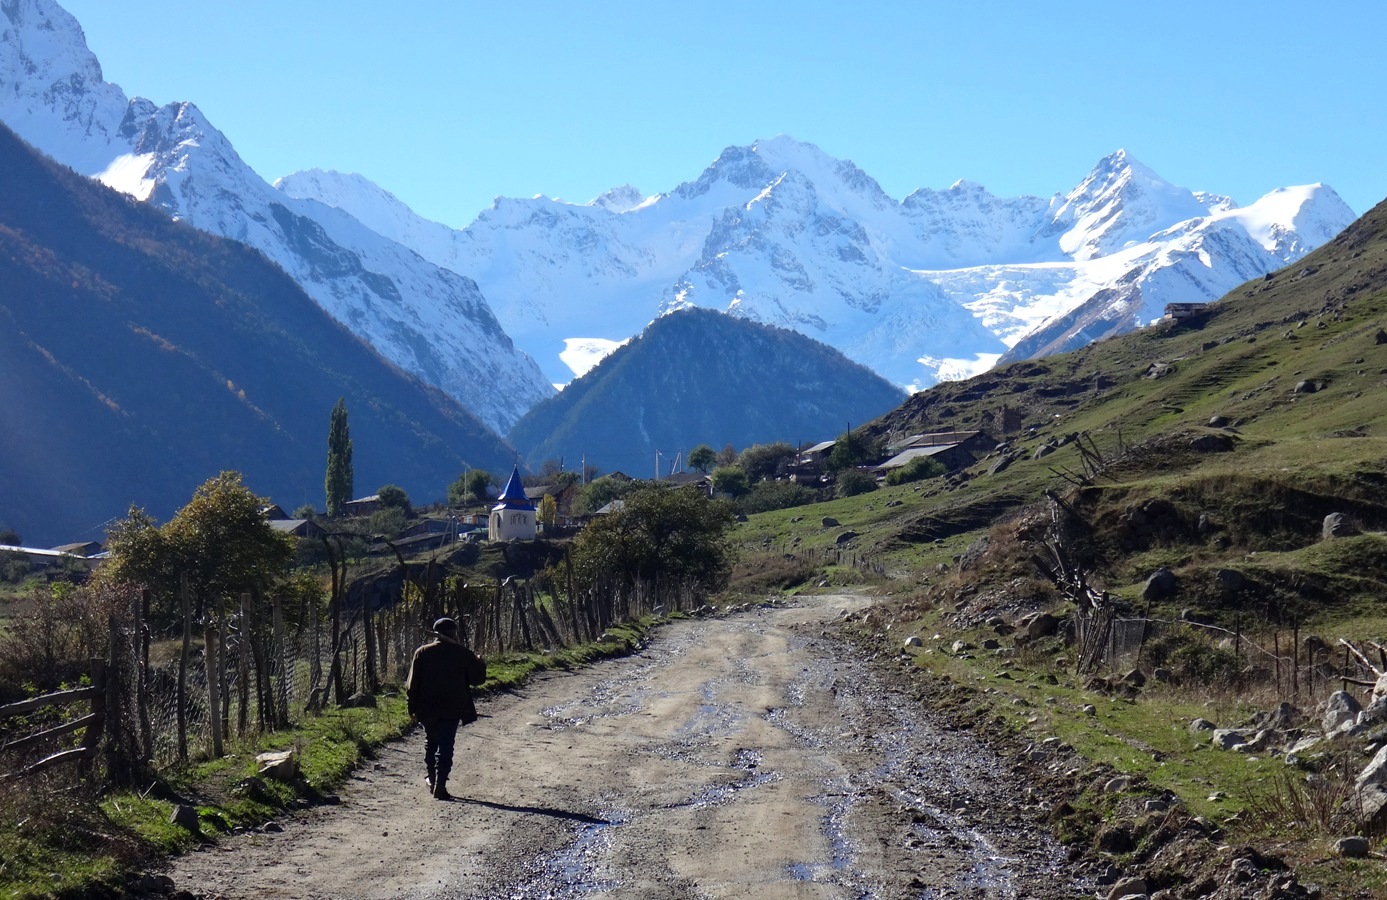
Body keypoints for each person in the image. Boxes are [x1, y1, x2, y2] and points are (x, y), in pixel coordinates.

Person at [405, 617, 483, 800]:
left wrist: (412, 707)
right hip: (452, 706)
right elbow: (477, 680)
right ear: (454, 632)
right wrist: (480, 663)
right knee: (446, 744)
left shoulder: (422, 652)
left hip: (427, 707)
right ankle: (440, 785)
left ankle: (432, 780)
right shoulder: (462, 653)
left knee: (431, 743)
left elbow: (412, 685)